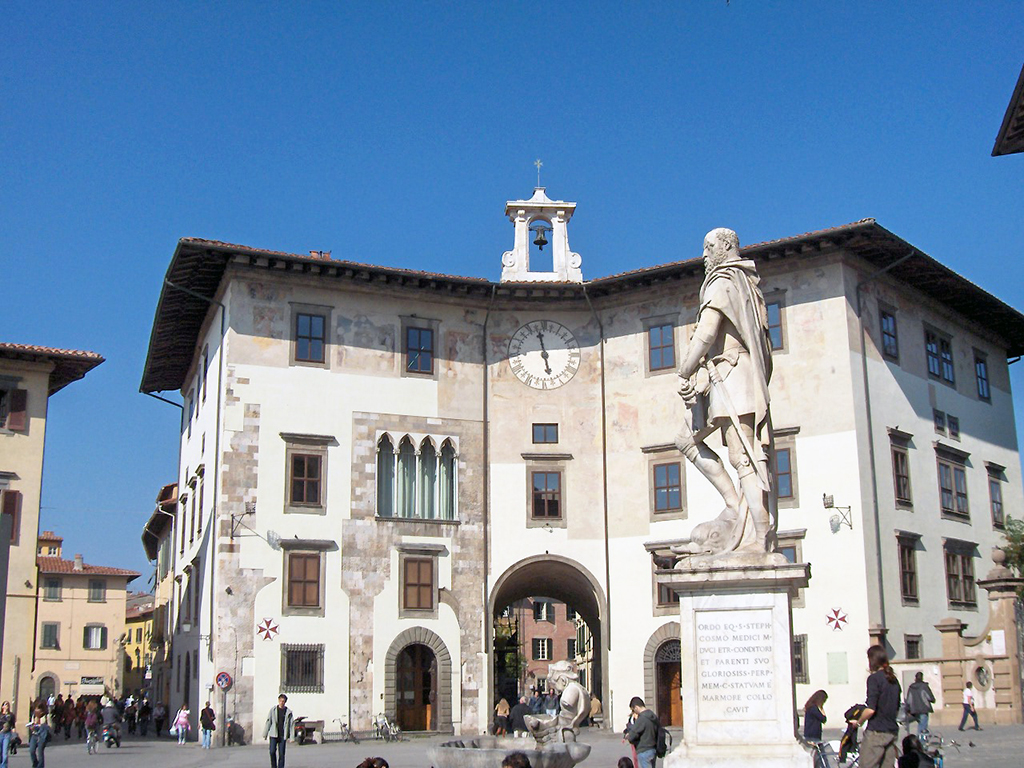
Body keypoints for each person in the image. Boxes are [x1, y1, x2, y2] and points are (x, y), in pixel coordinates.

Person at [674, 228, 775, 556]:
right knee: (686, 439)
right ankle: (734, 507)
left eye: (709, 248)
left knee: (743, 458)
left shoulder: (723, 281)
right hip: (726, 375)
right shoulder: (745, 285)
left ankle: (760, 535)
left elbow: (706, 334)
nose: (704, 255)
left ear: (727, 246)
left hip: (734, 375)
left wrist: (684, 370)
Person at [849, 646, 901, 768]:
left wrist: (859, 722)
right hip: (891, 730)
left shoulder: (874, 679)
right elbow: (897, 707)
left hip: (877, 731)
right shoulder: (893, 680)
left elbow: (870, 710)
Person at [624, 696, 661, 768]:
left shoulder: (642, 719)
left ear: (636, 707)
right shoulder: (652, 716)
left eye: (633, 710)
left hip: (644, 750)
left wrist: (628, 735)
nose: (634, 712)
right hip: (653, 749)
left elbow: (632, 736)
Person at [262, 694, 293, 768]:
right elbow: (269, 721)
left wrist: (291, 737)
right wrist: (265, 733)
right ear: (278, 700)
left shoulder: (288, 712)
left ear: (285, 702)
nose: (282, 702)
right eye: (281, 701)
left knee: (281, 754)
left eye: (283, 701)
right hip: (274, 734)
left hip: (282, 735)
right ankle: (274, 766)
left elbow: (291, 725)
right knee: (272, 751)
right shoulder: (273, 710)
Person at [0, 702, 16, 768]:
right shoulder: (0, 714)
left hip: (7, 734)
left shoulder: (11, 715)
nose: (6, 706)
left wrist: (14, 735)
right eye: (5, 704)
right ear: (2, 707)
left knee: (5, 753)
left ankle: (4, 766)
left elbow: (13, 726)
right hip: (0, 734)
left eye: (7, 705)